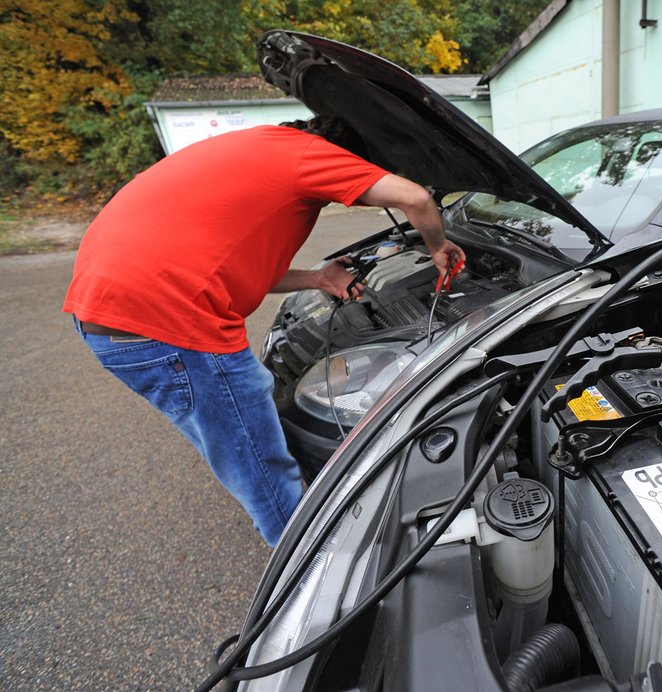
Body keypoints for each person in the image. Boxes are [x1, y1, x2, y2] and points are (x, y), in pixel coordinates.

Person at [63, 115, 465, 547]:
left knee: (240, 450)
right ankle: (313, 579)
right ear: (346, 155)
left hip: (112, 319)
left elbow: (231, 264)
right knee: (260, 467)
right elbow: (415, 197)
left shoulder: (256, 146)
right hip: (167, 322)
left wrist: (318, 279)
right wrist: (438, 246)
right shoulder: (310, 154)